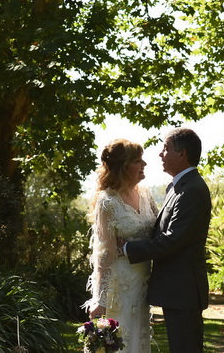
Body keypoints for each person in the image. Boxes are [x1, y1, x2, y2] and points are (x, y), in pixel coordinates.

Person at [124, 127, 212, 353]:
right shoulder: (177, 186)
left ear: (182, 154)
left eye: (165, 148)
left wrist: (126, 249)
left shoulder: (192, 190)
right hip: (176, 290)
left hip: (184, 291)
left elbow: (172, 240)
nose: (160, 154)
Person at [82, 139, 158, 353]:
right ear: (124, 167)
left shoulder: (145, 194)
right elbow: (103, 254)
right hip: (121, 285)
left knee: (139, 339)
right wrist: (100, 298)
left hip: (143, 282)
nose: (144, 165)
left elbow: (158, 231)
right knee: (122, 342)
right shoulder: (107, 203)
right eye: (138, 161)